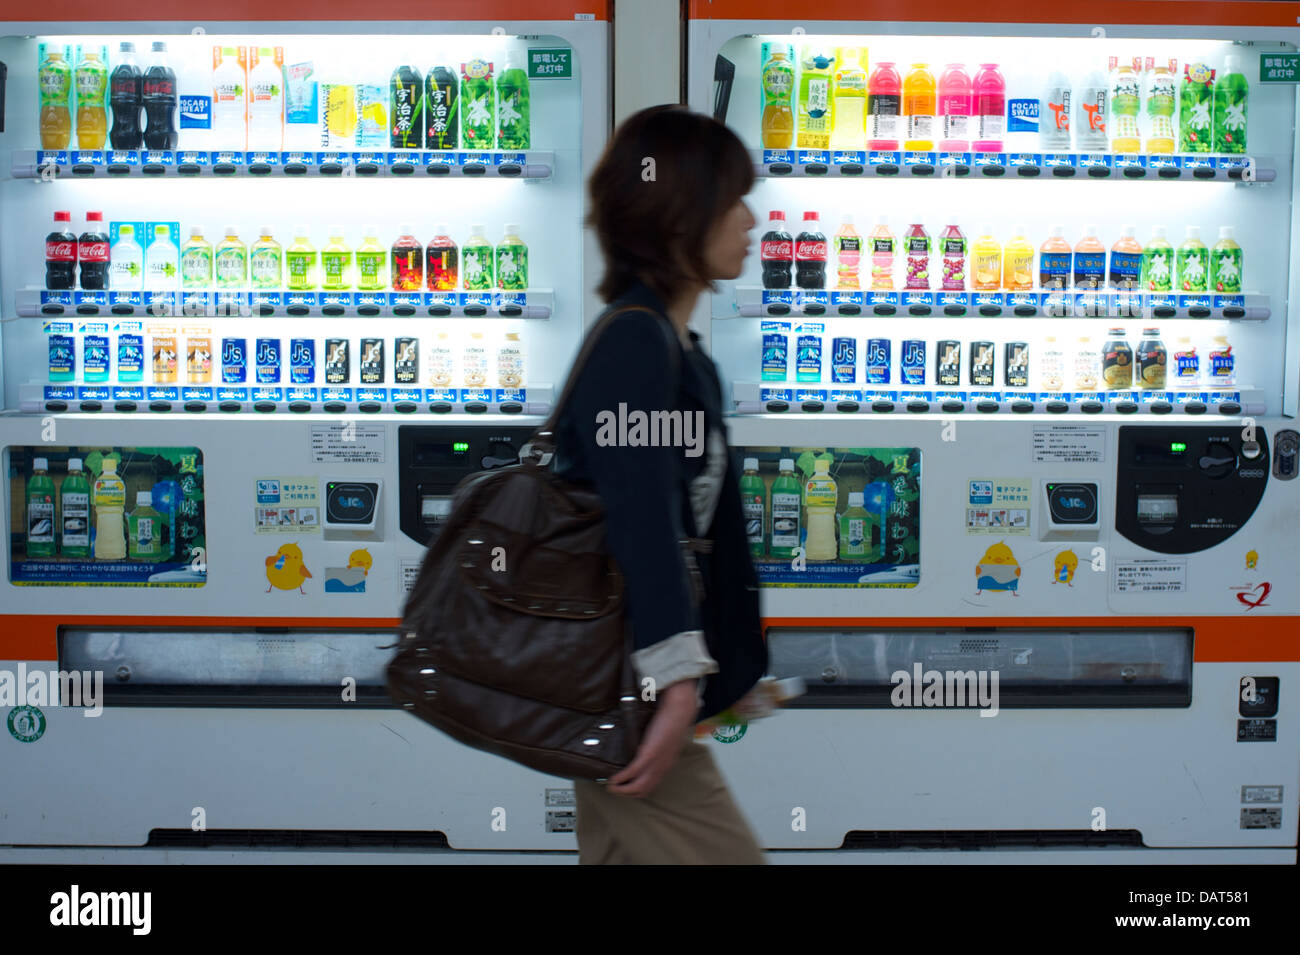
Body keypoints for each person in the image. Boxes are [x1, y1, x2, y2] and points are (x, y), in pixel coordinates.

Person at [552, 105, 768, 864]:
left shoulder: (681, 350)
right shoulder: (637, 344)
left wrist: (733, 668)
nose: (751, 219)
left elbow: (692, 526)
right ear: (681, 215)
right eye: (732, 199)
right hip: (631, 692)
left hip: (623, 686)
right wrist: (676, 683)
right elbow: (642, 518)